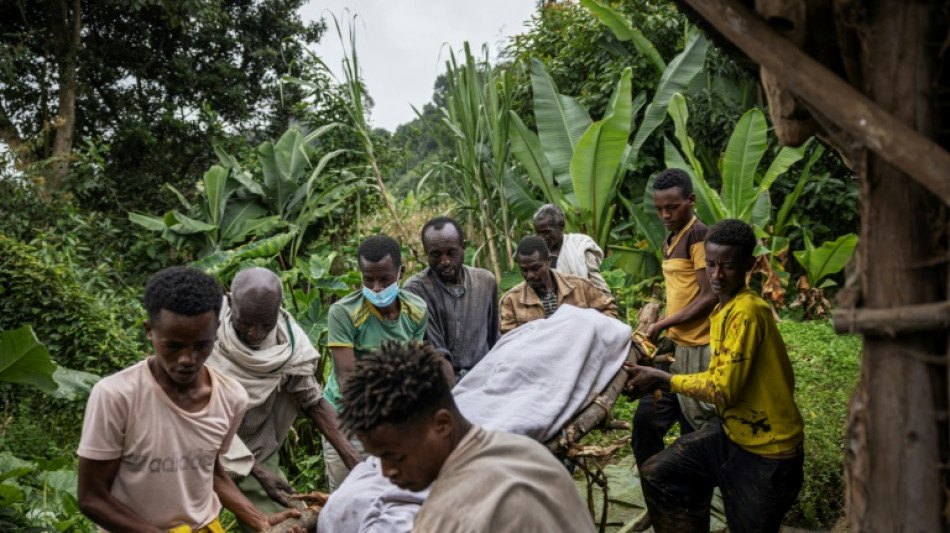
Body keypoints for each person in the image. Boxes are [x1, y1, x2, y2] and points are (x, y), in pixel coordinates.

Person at [77, 266, 303, 533]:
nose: (187, 360)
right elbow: (92, 498)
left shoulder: (231, 397)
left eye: (201, 346)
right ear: (150, 331)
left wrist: (258, 519)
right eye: (173, 346)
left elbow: (210, 471)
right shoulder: (116, 396)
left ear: (216, 332)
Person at [625, 220, 805, 533]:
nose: (717, 275)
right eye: (711, 265)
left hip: (769, 454)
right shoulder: (724, 310)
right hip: (733, 436)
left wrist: (662, 379)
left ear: (748, 265)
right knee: (660, 473)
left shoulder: (748, 312)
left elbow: (722, 389)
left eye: (728, 267)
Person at [340, 341, 596, 533]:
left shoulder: (447, 517)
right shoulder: (530, 454)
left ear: (442, 424)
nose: (387, 472)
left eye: (395, 457)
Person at [206, 267, 361, 531]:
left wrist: (355, 462)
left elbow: (313, 401)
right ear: (230, 302)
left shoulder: (288, 342)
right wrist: (255, 470)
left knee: (282, 526)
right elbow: (196, 415)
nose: (255, 334)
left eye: (265, 324)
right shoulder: (205, 335)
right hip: (198, 451)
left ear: (278, 310)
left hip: (256, 448)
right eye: (246, 324)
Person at [630, 169, 718, 530]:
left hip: (702, 347)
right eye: (660, 209)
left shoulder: (698, 236)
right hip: (677, 350)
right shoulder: (670, 240)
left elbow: (709, 294)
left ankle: (691, 511)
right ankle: (661, 495)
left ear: (691, 202)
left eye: (673, 208)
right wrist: (664, 325)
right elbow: (680, 292)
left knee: (693, 433)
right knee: (645, 423)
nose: (665, 215)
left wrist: (663, 323)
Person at [323, 235, 434, 491]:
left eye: (384, 279)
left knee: (393, 492)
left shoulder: (416, 310)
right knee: (347, 493)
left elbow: (412, 367)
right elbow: (347, 377)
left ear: (400, 272)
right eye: (368, 279)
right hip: (347, 417)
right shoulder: (344, 313)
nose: (376, 287)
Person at [403, 217, 499, 380]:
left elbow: (494, 339)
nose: (445, 261)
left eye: (451, 252)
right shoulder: (415, 290)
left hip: (484, 378)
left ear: (463, 247)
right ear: (426, 254)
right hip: (440, 381)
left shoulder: (485, 282)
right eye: (436, 255)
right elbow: (435, 353)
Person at [500, 235, 617, 334]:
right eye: (524, 270)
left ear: (548, 261)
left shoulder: (579, 287)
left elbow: (608, 310)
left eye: (535, 268)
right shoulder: (511, 301)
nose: (530, 275)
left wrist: (596, 336)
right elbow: (509, 341)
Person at [532, 203, 610, 294]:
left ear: (561, 226)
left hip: (582, 303)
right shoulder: (538, 254)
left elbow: (598, 283)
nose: (542, 237)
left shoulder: (580, 246)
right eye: (538, 233)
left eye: (546, 232)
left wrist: (608, 304)